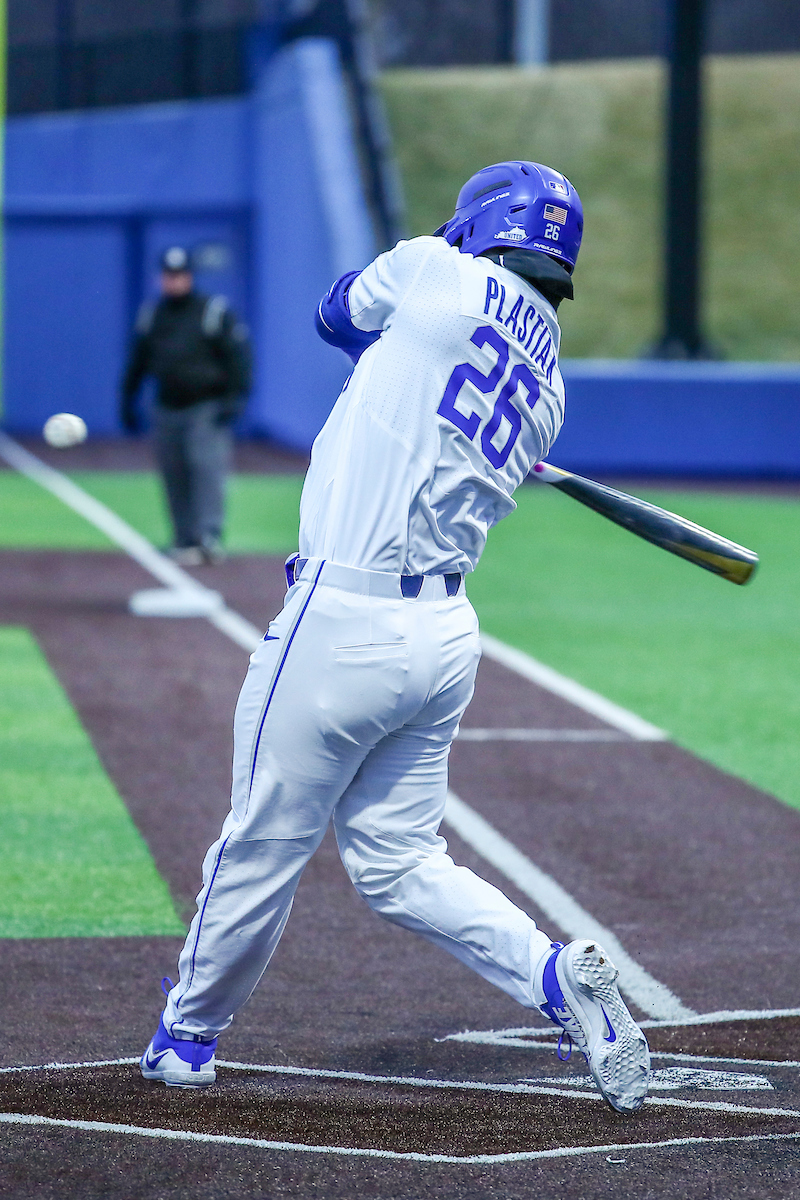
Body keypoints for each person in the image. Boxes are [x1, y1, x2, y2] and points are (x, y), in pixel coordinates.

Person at [139, 162, 651, 1113]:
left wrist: (400, 329)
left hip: (343, 620)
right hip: (443, 641)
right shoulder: (549, 387)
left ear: (479, 225)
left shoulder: (430, 269)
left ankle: (186, 1037)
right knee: (401, 863)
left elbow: (335, 315)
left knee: (261, 843)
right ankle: (551, 974)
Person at [120, 246, 252, 566]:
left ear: (190, 276)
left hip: (205, 405)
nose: (174, 281)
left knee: (205, 470)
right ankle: (184, 538)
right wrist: (128, 398)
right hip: (166, 406)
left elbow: (238, 357)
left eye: (179, 275)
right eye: (169, 275)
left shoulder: (212, 311)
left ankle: (208, 536)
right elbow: (138, 360)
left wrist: (235, 397)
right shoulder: (153, 314)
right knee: (174, 473)